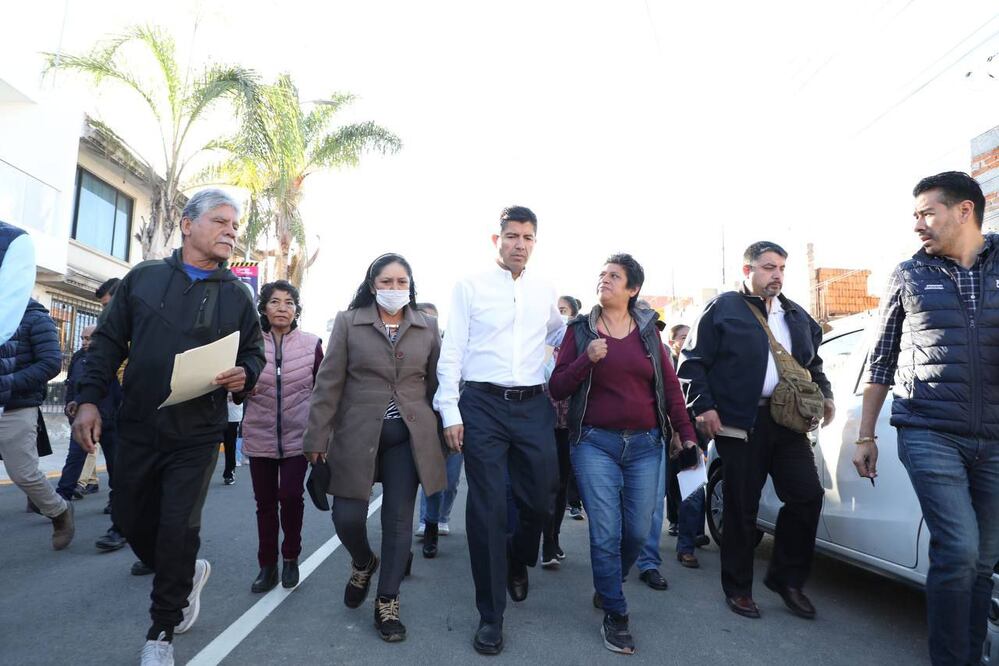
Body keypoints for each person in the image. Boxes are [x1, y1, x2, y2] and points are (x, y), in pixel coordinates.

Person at [71, 189, 266, 666]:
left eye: (235, 225)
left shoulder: (238, 295)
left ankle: (162, 630)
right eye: (220, 221)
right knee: (130, 518)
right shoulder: (143, 278)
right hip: (137, 426)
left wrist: (245, 375)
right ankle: (183, 573)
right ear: (187, 224)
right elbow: (108, 343)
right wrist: (89, 400)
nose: (231, 231)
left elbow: (253, 354)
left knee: (178, 526)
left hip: (197, 433)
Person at [854, 171, 999, 665]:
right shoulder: (909, 274)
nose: (917, 224)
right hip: (929, 429)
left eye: (927, 214)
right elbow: (881, 359)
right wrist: (866, 435)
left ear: (964, 210)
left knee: (983, 560)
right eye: (914, 216)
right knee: (958, 548)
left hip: (995, 437)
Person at [678, 241, 834, 621]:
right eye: (768, 267)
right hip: (739, 423)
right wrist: (704, 407)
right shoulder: (722, 308)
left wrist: (825, 395)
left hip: (788, 422)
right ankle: (738, 589)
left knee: (807, 496)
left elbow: (812, 365)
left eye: (781, 267)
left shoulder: (795, 315)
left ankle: (786, 579)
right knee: (741, 508)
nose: (776, 275)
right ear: (747, 271)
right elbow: (692, 362)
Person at [549, 254, 697, 655]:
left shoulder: (648, 333)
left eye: (614, 276)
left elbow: (669, 387)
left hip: (646, 445)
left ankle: (609, 582)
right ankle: (615, 612)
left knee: (637, 531)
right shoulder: (580, 330)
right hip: (594, 443)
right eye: (602, 275)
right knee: (606, 531)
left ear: (633, 289)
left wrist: (685, 434)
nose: (605, 280)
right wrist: (586, 359)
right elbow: (558, 387)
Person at [434, 206, 565, 655]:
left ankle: (518, 557)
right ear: (497, 240)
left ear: (535, 243)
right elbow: (452, 350)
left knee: (542, 498)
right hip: (482, 405)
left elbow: (558, 332)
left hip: (532, 406)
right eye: (512, 236)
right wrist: (450, 411)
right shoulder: (469, 287)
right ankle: (491, 615)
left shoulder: (544, 289)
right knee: (487, 509)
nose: (519, 244)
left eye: (527, 238)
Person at [303, 253, 446, 643]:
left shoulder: (428, 327)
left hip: (408, 438)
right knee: (347, 518)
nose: (394, 289)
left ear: (411, 287)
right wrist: (316, 438)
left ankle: (388, 600)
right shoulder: (349, 323)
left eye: (402, 282)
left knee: (398, 522)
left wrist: (445, 430)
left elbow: (438, 386)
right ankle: (364, 561)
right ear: (372, 285)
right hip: (355, 435)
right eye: (386, 282)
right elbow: (328, 384)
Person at [241, 280, 322, 593]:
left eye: (289, 303)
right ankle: (267, 566)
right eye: (275, 302)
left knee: (290, 496)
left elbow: (324, 392)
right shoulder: (248, 344)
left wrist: (323, 437)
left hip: (299, 438)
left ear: (296, 310)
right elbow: (235, 390)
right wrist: (241, 388)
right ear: (263, 308)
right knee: (264, 504)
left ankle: (290, 557)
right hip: (259, 434)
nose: (282, 308)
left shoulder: (312, 345)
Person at [0, 298, 73, 549]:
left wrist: (7, 382)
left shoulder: (36, 318)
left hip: (17, 407)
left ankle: (59, 511)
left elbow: (50, 363)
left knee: (23, 473)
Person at [55, 324, 127, 551]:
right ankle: (60, 503)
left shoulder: (110, 357)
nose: (86, 342)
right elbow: (71, 386)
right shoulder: (77, 358)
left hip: (110, 420)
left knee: (116, 465)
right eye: (83, 338)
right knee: (74, 459)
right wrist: (70, 406)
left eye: (90, 338)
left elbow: (117, 390)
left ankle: (117, 505)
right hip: (84, 421)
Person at [413, 302, 461, 559]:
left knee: (449, 481)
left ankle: (439, 518)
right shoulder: (406, 350)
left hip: (451, 422)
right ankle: (428, 524)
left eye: (432, 319)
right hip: (419, 424)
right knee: (427, 479)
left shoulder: (451, 349)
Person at [541, 294, 582, 567]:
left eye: (564, 311)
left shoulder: (578, 346)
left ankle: (551, 540)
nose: (560, 316)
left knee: (559, 485)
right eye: (557, 311)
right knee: (541, 486)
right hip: (539, 426)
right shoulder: (538, 345)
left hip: (568, 427)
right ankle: (537, 537)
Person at [664, 324, 689, 536]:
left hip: (690, 425)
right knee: (673, 477)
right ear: (673, 342)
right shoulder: (667, 361)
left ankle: (691, 527)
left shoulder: (694, 361)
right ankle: (675, 519)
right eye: (683, 337)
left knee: (692, 478)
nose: (686, 340)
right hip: (668, 427)